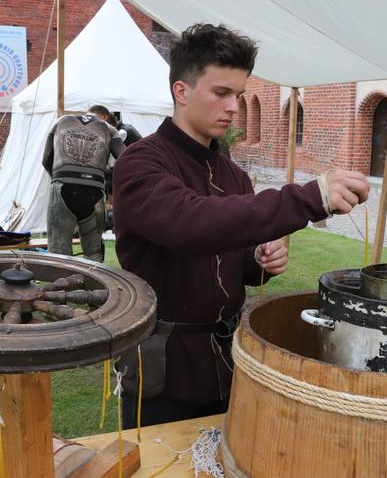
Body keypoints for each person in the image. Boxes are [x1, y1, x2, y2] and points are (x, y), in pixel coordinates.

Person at [112, 24, 370, 427]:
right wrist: (310, 197)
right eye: (221, 93)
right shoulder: (140, 163)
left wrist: (258, 261)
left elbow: (233, 257)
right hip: (163, 371)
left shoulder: (233, 175)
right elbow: (189, 224)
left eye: (238, 94)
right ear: (182, 91)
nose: (234, 107)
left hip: (229, 363)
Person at [42, 106, 125, 261]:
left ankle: (59, 277)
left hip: (62, 187)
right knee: (93, 253)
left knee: (58, 253)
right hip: (94, 193)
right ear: (105, 117)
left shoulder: (61, 122)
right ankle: (94, 277)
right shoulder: (110, 130)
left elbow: (46, 159)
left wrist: (56, 178)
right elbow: (125, 159)